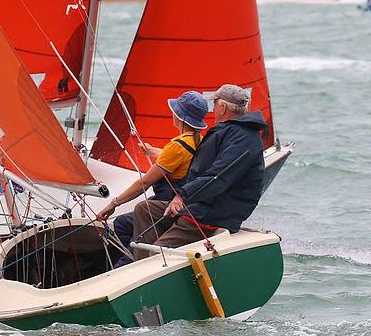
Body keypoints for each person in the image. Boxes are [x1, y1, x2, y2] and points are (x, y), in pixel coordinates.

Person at [131, 84, 267, 258]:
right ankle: (140, 265)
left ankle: (149, 267)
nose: (214, 110)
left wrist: (182, 195)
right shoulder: (231, 132)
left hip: (211, 215)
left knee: (159, 253)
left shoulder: (244, 138)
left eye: (215, 105)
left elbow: (217, 177)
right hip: (199, 205)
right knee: (145, 209)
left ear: (223, 107)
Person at [96, 91, 207, 263]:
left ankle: (126, 266)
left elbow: (145, 182)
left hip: (166, 207)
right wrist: (155, 151)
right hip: (183, 204)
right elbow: (182, 158)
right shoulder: (198, 140)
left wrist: (113, 204)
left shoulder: (176, 147)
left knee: (124, 225)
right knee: (123, 223)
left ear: (179, 117)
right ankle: (131, 256)